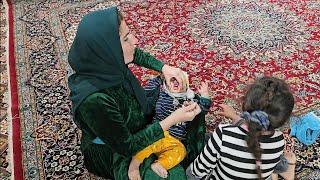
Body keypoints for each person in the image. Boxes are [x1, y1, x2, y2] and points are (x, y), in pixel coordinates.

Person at [67, 7, 206, 180]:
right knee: (174, 175)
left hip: (135, 120)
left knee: (188, 104)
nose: (136, 40)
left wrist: (164, 68)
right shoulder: (94, 100)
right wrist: (173, 120)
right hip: (113, 152)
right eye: (126, 38)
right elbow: (128, 146)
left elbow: (136, 54)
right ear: (109, 50)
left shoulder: (106, 62)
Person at [186, 76, 296, 179]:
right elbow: (252, 131)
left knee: (203, 140)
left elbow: (196, 172)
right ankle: (285, 169)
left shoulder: (223, 135)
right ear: (282, 120)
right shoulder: (279, 140)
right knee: (277, 166)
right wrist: (234, 117)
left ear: (244, 104)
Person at [128, 73, 212, 179]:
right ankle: (135, 164)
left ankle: (160, 164)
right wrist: (161, 77)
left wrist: (205, 95)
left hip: (173, 140)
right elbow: (147, 91)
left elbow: (202, 110)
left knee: (181, 151)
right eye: (172, 80)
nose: (176, 82)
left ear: (187, 85)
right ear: (166, 84)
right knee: (147, 144)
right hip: (158, 131)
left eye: (180, 80)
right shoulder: (163, 94)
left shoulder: (191, 100)